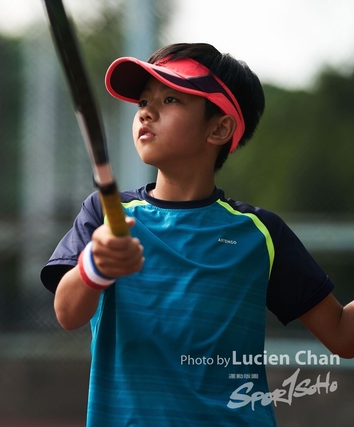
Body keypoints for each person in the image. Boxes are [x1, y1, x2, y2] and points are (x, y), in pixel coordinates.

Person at [40, 43, 354, 426]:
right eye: (142, 101)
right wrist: (94, 266)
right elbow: (68, 313)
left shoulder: (260, 234)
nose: (146, 112)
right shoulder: (106, 215)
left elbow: (342, 335)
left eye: (170, 98)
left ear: (219, 127)